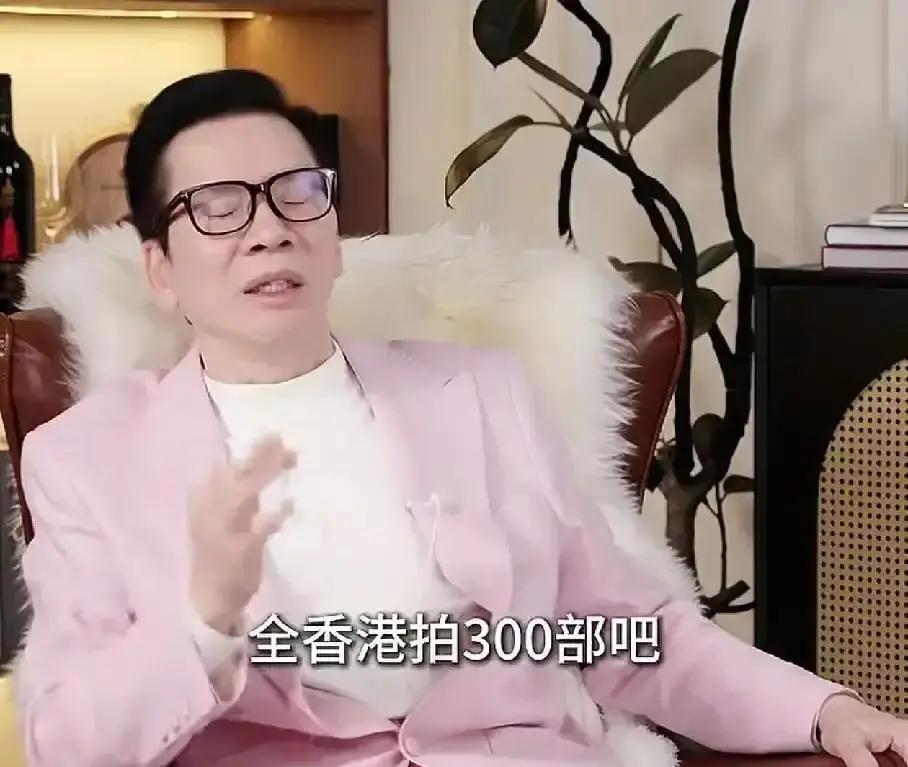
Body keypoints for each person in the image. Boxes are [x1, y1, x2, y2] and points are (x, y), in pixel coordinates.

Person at [11, 69, 907, 767]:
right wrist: (202, 617)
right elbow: (68, 740)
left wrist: (821, 709)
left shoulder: (480, 393)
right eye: (217, 207)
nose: (270, 228)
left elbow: (628, 630)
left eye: (297, 192)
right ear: (160, 269)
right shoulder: (87, 459)